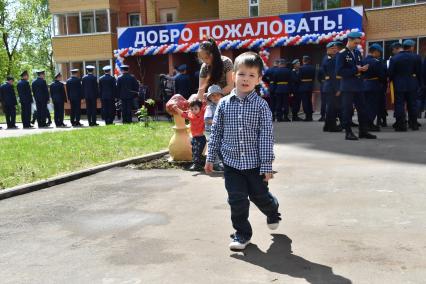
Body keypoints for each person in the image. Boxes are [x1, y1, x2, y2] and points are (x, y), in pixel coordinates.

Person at [205, 52, 281, 251]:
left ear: (258, 79)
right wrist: (210, 157)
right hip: (232, 164)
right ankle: (242, 234)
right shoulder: (223, 104)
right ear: (233, 76)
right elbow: (216, 133)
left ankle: (273, 210)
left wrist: (266, 166)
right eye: (242, 74)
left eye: (251, 75)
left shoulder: (261, 106)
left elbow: (266, 138)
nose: (246, 79)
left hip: (255, 165)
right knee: (236, 199)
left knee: (260, 197)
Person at [336, 31, 376, 140]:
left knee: (362, 109)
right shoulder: (342, 54)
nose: (357, 45)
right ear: (349, 40)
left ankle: (363, 131)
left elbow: (359, 67)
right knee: (348, 110)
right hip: (348, 86)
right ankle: (348, 132)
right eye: (355, 43)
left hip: (359, 85)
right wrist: (356, 69)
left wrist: (363, 69)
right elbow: (339, 72)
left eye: (358, 43)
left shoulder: (357, 53)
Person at [388, 39, 422, 131]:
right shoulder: (417, 57)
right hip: (412, 84)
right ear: (411, 47)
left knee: (399, 105)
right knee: (412, 104)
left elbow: (390, 73)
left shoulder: (394, 58)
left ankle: (400, 125)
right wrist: (420, 84)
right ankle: (413, 124)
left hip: (398, 84)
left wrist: (390, 82)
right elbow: (419, 72)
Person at [173, 99, 207, 171]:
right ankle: (199, 163)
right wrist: (176, 109)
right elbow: (183, 114)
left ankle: (196, 164)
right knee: (194, 151)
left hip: (201, 137)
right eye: (191, 109)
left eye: (195, 109)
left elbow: (205, 105)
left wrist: (204, 98)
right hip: (194, 137)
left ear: (200, 109)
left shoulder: (202, 113)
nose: (193, 110)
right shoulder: (190, 114)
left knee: (196, 151)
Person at [362, 44, 386, 132]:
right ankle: (369, 124)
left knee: (365, 105)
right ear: (375, 52)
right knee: (372, 106)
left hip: (364, 85)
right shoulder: (376, 62)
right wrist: (383, 84)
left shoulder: (363, 60)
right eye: (379, 53)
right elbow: (382, 75)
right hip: (374, 85)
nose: (380, 55)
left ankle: (365, 123)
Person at [322, 42, 342, 132]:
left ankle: (327, 126)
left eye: (336, 48)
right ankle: (332, 127)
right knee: (332, 108)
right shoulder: (330, 60)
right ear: (328, 49)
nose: (335, 50)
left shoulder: (327, 58)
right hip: (332, 87)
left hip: (329, 86)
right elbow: (333, 76)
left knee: (330, 107)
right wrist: (338, 89)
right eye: (333, 48)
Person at [204, 84, 224, 172]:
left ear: (221, 96)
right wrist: (217, 122)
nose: (215, 97)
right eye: (213, 95)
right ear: (210, 98)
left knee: (221, 147)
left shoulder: (224, 106)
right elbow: (207, 120)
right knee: (213, 146)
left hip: (221, 131)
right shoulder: (209, 108)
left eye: (217, 95)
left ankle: (221, 162)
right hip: (211, 131)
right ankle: (215, 164)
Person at [297, 56, 316, 121]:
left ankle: (307, 116)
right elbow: (313, 78)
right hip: (310, 86)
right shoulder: (313, 68)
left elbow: (299, 78)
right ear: (308, 60)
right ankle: (310, 116)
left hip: (303, 87)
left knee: (305, 102)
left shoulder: (301, 68)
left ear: (303, 61)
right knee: (309, 101)